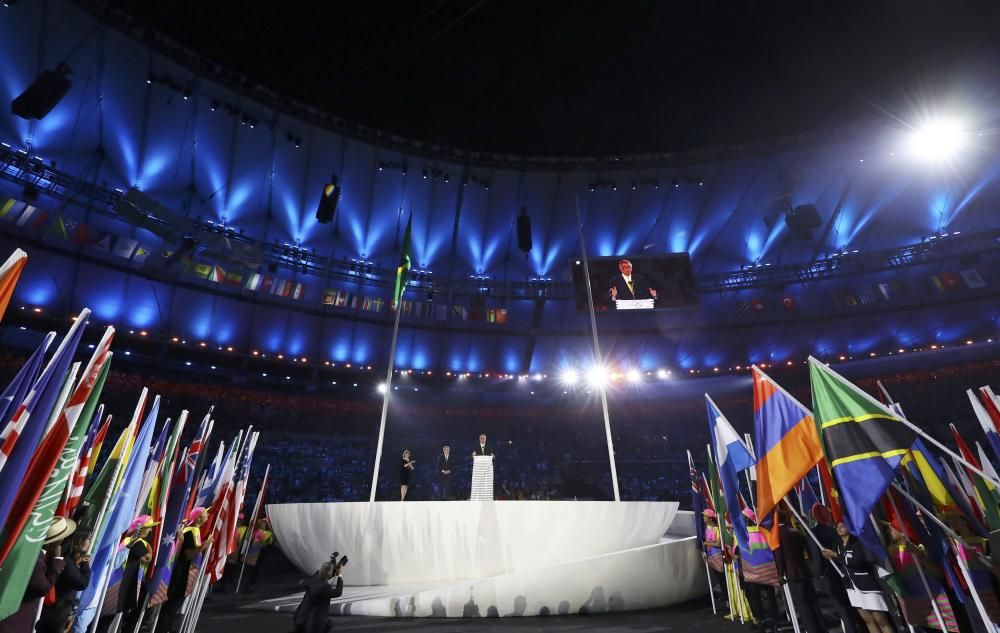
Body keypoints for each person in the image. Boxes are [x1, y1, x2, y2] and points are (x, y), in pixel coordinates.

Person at [0, 516, 72, 633]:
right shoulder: (35, 559)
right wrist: (57, 560)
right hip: (12, 622)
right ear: (54, 543)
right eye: (61, 539)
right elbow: (42, 587)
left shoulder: (39, 557)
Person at [821, 521, 894, 633]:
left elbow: (857, 560)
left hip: (867, 585)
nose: (839, 528)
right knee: (868, 619)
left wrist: (835, 555)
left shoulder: (858, 541)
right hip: (852, 587)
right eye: (837, 527)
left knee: (880, 619)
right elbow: (841, 563)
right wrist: (830, 557)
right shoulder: (837, 545)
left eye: (842, 526)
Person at [806, 504, 864, 633]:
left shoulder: (813, 533)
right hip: (841, 569)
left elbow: (816, 556)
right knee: (850, 603)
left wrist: (820, 574)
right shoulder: (833, 530)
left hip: (828, 573)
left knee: (841, 606)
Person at [156, 507, 213, 633]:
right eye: (205, 514)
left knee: (175, 605)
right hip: (181, 575)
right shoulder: (190, 532)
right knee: (171, 605)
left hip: (187, 573)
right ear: (198, 517)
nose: (208, 516)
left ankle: (168, 627)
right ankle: (163, 629)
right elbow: (188, 554)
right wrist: (206, 544)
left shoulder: (195, 530)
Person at [773, 509, 827, 633]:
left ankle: (812, 629)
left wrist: (780, 574)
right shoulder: (795, 532)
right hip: (804, 569)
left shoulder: (777, 535)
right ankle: (822, 629)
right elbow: (806, 548)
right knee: (813, 603)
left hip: (792, 573)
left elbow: (779, 555)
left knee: (802, 606)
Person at [118, 515, 157, 633]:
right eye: (148, 528)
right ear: (140, 528)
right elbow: (147, 558)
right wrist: (150, 547)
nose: (150, 531)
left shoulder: (128, 540)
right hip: (126, 583)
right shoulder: (138, 542)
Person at [292, 558, 345, 633]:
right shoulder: (323, 589)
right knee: (328, 624)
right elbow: (338, 592)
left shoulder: (316, 576)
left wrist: (333, 563)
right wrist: (339, 575)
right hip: (310, 625)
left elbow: (326, 572)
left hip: (300, 618)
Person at [54, 532, 91, 601]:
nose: (90, 542)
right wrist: (85, 563)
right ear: (79, 543)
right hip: (56, 605)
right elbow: (82, 583)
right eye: (89, 539)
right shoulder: (66, 561)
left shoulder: (70, 560)